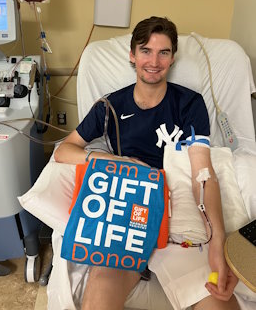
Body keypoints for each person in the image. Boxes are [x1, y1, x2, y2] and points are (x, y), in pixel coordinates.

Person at [54, 16, 239, 310]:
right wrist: (115, 159)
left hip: (177, 213)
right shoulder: (110, 106)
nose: (154, 61)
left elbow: (202, 173)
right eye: (145, 51)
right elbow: (64, 151)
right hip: (128, 213)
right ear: (132, 55)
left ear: (172, 58)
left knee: (219, 302)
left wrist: (216, 242)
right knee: (101, 289)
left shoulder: (189, 104)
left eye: (163, 52)